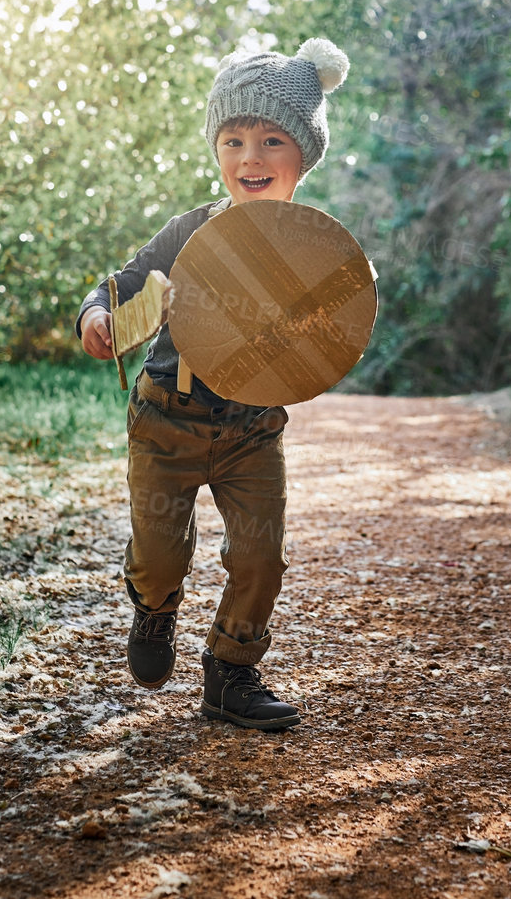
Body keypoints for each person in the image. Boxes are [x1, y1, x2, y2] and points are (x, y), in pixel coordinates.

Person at [75, 38, 350, 732]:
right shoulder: (190, 228)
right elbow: (124, 279)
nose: (249, 158)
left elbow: (335, 324)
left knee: (261, 556)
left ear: (302, 154)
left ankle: (230, 671)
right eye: (232, 139)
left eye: (269, 140)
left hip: (253, 428)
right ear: (215, 149)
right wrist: (98, 311)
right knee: (162, 556)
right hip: (167, 417)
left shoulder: (314, 246)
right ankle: (153, 604)